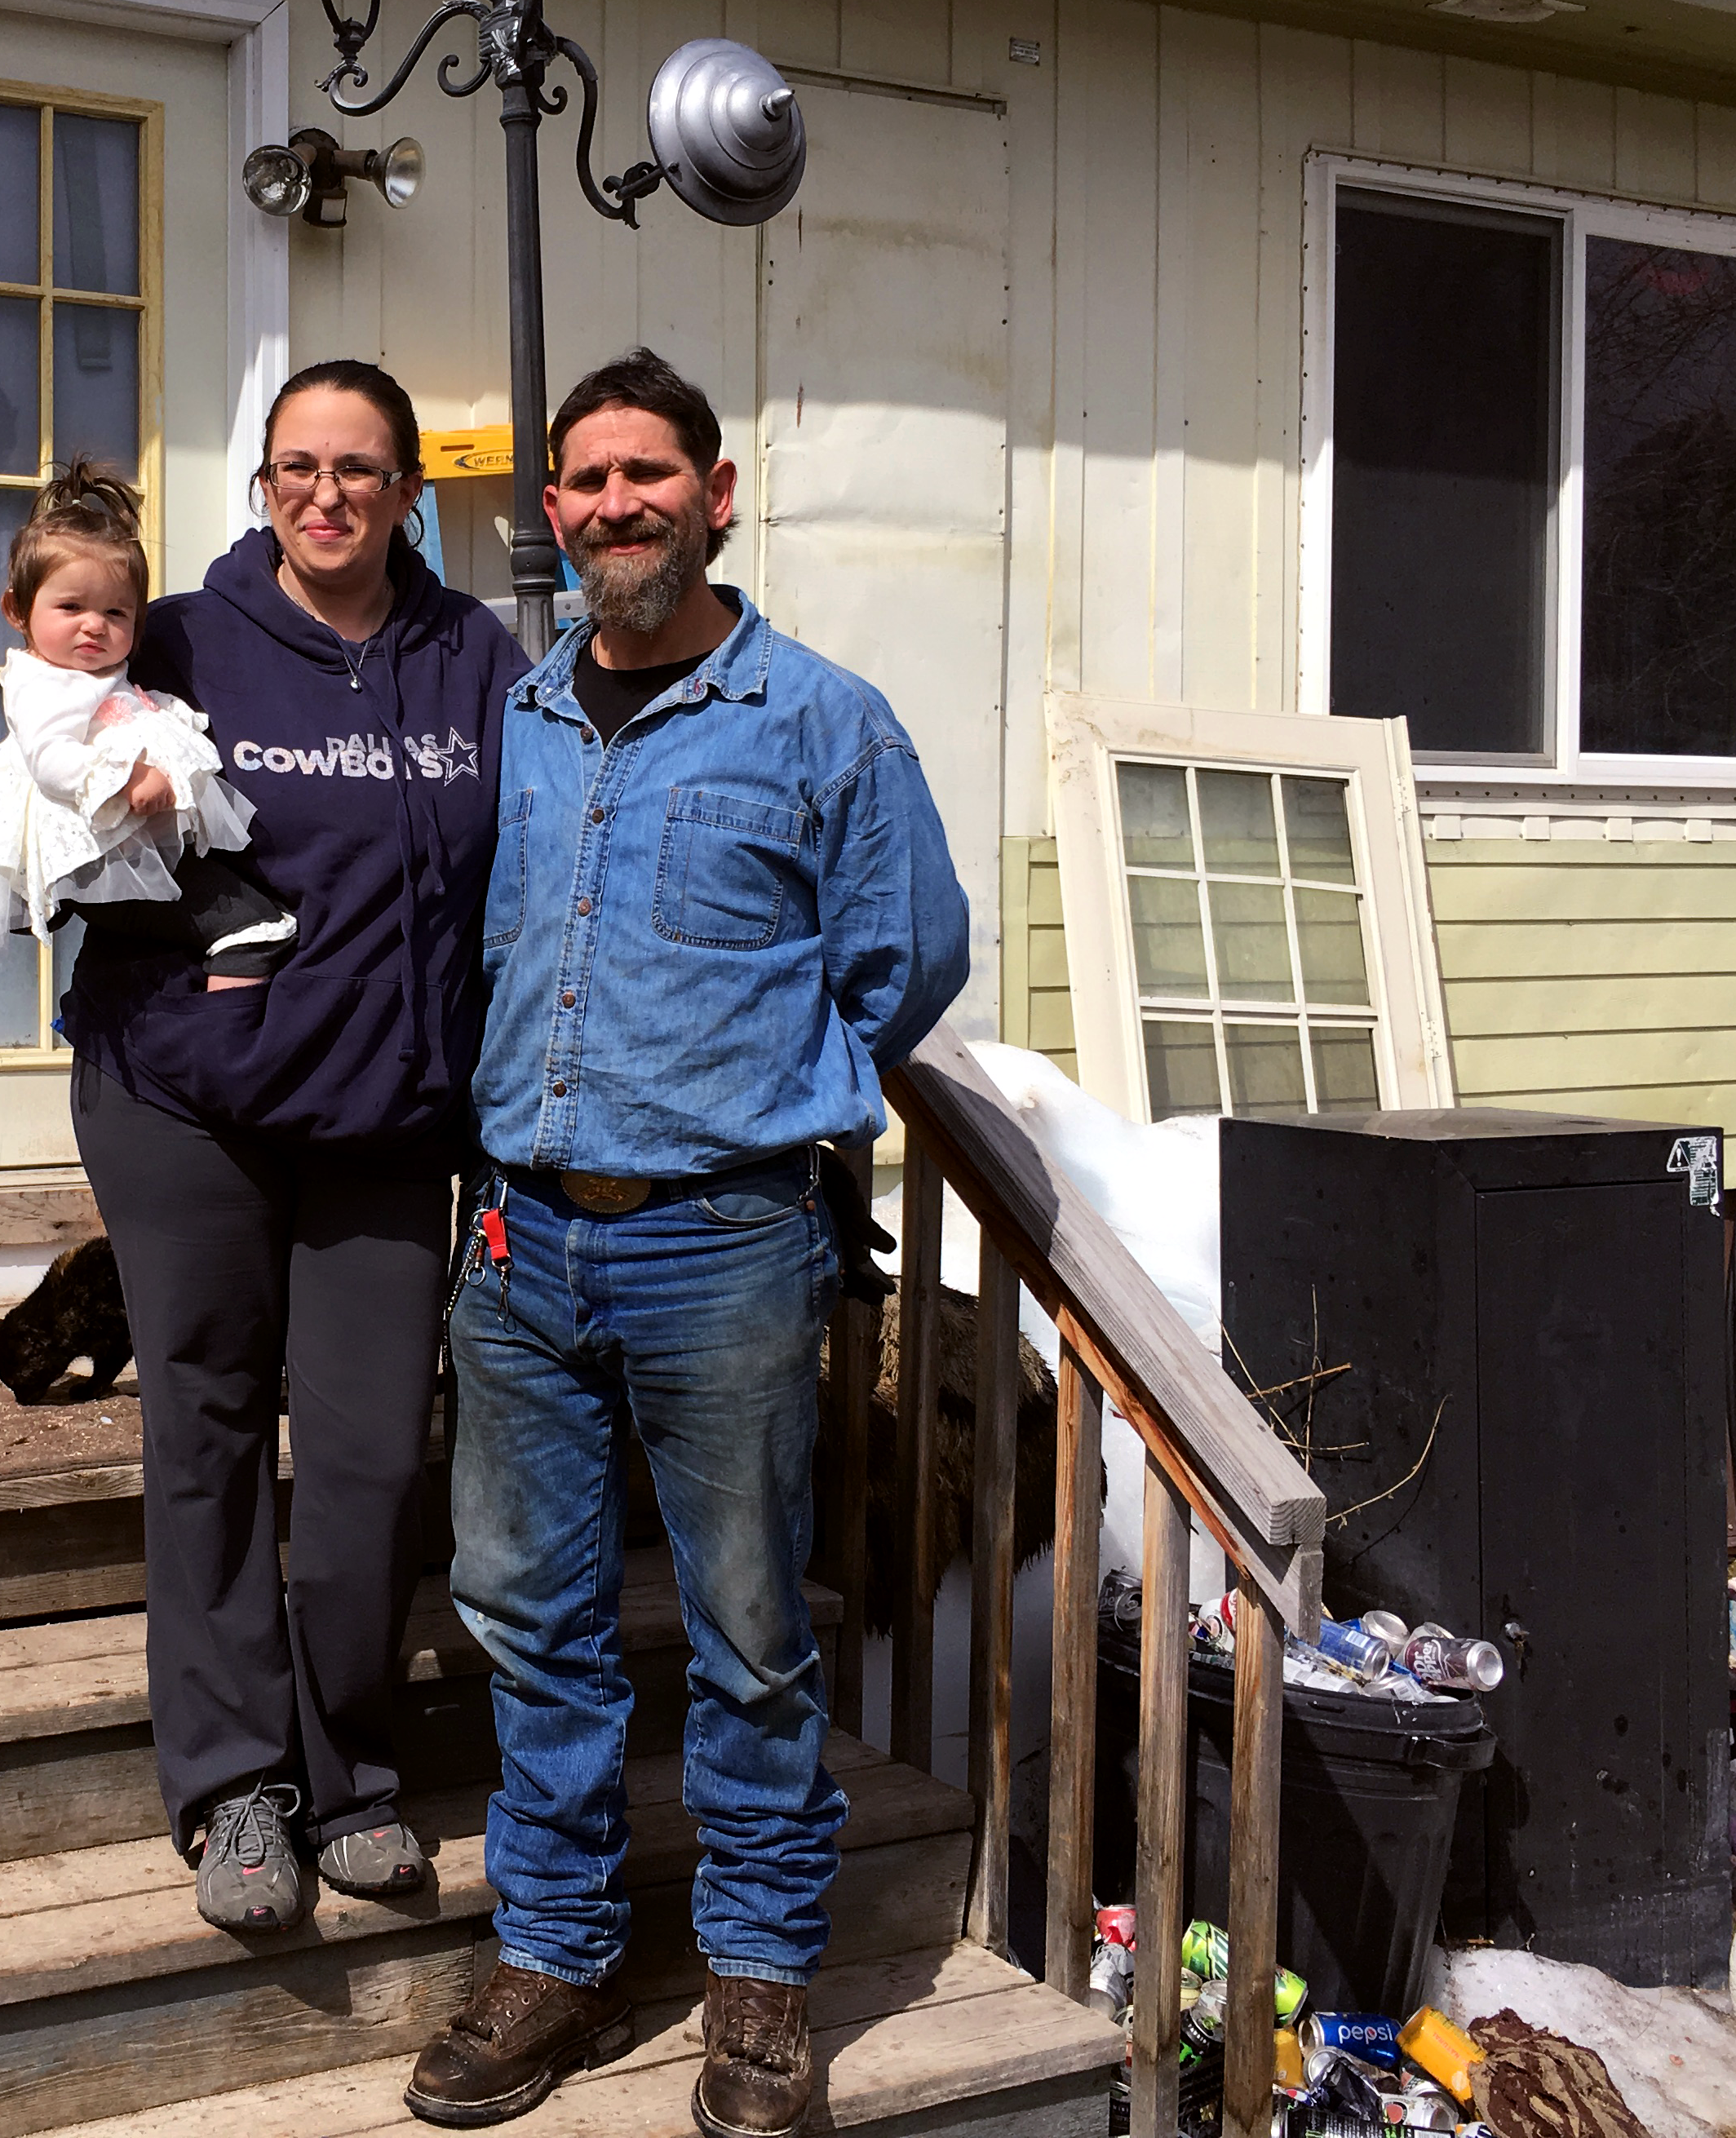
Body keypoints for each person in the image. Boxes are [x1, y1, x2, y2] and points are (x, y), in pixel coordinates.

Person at [405, 349, 968, 2135]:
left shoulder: (823, 722)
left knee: (745, 1630)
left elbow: (906, 961)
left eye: (648, 475)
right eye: (581, 484)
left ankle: (757, 1983)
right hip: (517, 1244)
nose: (611, 507)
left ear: (720, 496)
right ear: (549, 512)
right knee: (531, 1619)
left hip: (722, 1244)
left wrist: (769, 1100)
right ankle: (558, 1958)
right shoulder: (523, 717)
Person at [59, 357, 526, 1932]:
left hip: (388, 1115)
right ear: (263, 483)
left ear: (406, 489)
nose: (324, 494)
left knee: (369, 1461)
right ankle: (235, 1785)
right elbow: (43, 774)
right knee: (202, 1427)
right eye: (295, 467)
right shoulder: (180, 643)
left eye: (358, 468)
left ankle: (348, 1765)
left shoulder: (472, 655)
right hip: (185, 1099)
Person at [0, 463, 299, 985]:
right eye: (71, 606)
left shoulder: (94, 676)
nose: (95, 624)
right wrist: (128, 778)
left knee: (232, 924)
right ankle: (229, 1032)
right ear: (17, 610)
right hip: (97, 850)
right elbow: (50, 760)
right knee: (250, 932)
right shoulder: (45, 683)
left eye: (117, 612)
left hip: (117, 845)